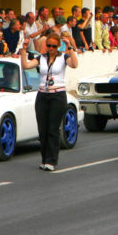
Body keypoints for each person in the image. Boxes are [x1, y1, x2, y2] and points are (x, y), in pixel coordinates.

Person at [19, 32, 78, 171]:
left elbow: (74, 65)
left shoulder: (64, 57)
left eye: (53, 46)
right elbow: (26, 66)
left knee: (53, 129)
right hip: (43, 95)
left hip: (57, 95)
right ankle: (44, 159)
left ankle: (51, 161)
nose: (50, 48)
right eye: (48, 45)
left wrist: (70, 48)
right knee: (43, 129)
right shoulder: (42, 58)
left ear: (58, 46)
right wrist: (23, 50)